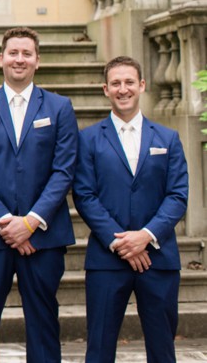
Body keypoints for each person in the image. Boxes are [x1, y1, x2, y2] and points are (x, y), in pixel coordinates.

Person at [0, 27, 78, 363]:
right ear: (1, 59)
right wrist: (5, 223)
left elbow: (64, 171)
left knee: (43, 321)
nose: (20, 59)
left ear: (37, 61)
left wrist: (30, 223)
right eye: (14, 52)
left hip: (44, 235)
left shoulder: (59, 107)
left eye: (27, 53)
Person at [73, 56, 188, 363]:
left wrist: (146, 236)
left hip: (158, 258)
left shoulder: (168, 138)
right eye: (115, 83)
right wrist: (122, 242)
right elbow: (84, 195)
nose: (122, 89)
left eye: (128, 82)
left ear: (142, 85)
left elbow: (177, 196)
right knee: (99, 348)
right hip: (107, 260)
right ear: (105, 89)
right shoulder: (87, 139)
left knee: (163, 349)